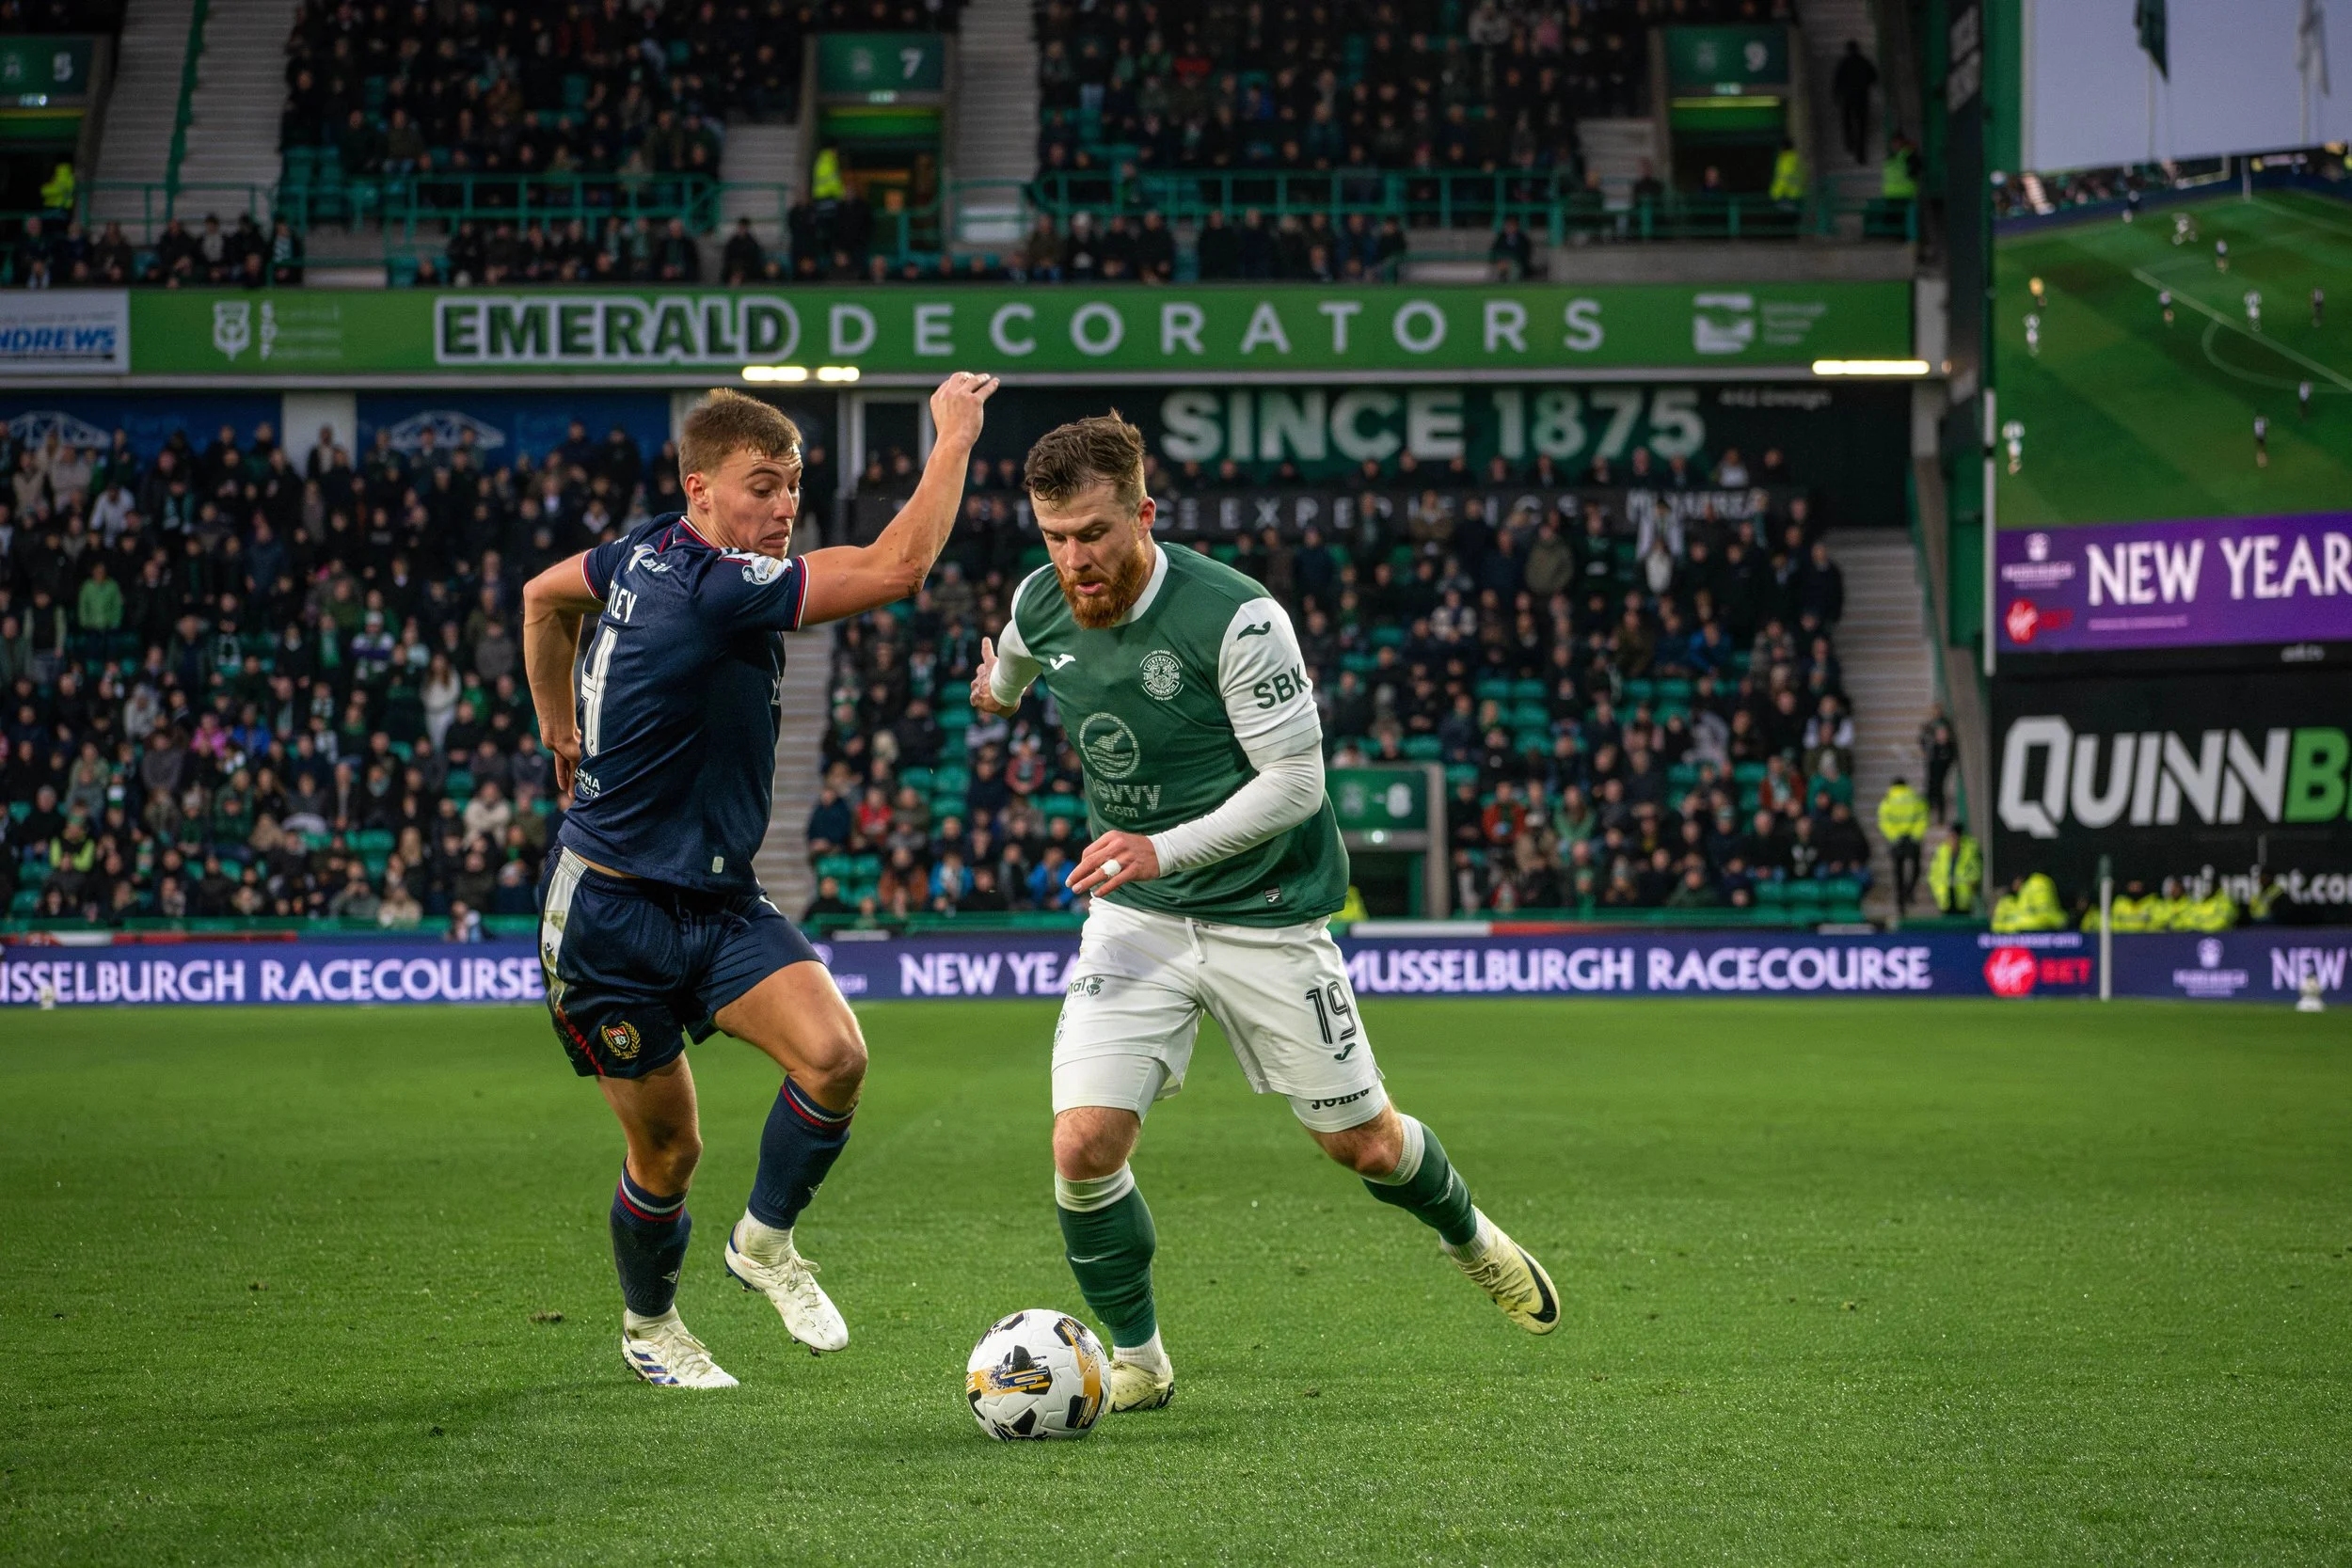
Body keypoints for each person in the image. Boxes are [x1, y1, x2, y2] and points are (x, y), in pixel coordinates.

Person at [969, 415, 1558, 1415]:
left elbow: (1294, 783)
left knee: (1364, 1145)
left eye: (1096, 533)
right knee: (1082, 1144)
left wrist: (1160, 844)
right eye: (1055, 537)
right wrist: (991, 691)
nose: (1075, 559)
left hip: (1267, 914)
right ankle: (1141, 1356)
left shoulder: (1237, 617)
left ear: (1145, 514)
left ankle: (1472, 1236)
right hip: (1138, 918)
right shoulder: (1039, 605)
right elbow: (1007, 680)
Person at [519, 370, 999, 1390]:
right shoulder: (708, 585)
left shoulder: (644, 550)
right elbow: (897, 565)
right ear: (700, 489)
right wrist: (952, 435)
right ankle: (651, 1326)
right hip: (609, 914)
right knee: (670, 1155)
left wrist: (554, 720)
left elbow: (543, 596)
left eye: (791, 486)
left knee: (833, 1057)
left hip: (716, 895)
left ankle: (764, 1242)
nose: (782, 508)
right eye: (760, 487)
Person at [1876, 775, 1928, 915]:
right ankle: (1909, 891)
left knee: (1898, 873)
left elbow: (1883, 821)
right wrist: (1915, 835)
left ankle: (1901, 904)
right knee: (1916, 868)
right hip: (1912, 838)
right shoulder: (1914, 798)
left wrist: (1894, 836)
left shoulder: (1888, 800)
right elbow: (1922, 816)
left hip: (1896, 841)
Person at [1832, 40, 1876, 165]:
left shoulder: (1844, 63)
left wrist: (1836, 96)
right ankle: (1860, 154)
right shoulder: (1863, 62)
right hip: (1861, 98)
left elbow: (1837, 81)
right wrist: (1864, 85)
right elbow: (1873, 77)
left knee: (1847, 122)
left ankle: (1849, 143)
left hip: (1848, 98)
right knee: (1862, 126)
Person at [1926, 824, 1979, 915]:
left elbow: (1975, 872)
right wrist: (1938, 892)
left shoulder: (1970, 850)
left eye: (1955, 837)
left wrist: (1970, 884)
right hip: (1946, 899)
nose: (1953, 840)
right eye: (1951, 836)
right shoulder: (1942, 851)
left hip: (1963, 900)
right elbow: (1933, 875)